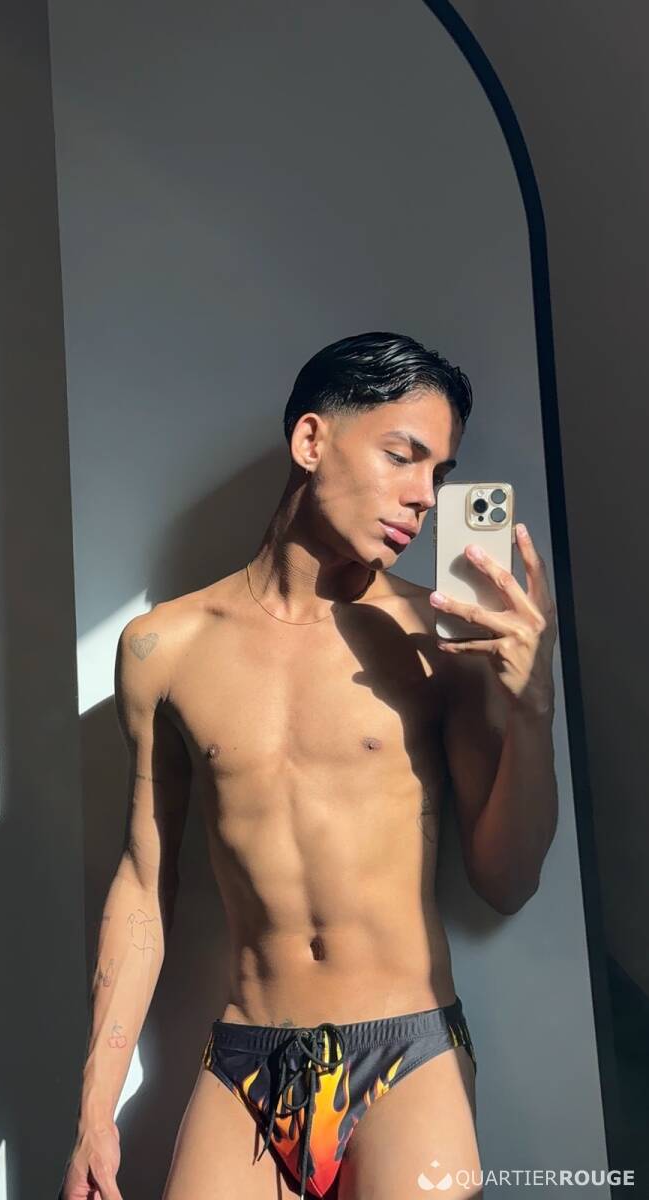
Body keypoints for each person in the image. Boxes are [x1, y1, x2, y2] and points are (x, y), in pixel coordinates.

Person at [60, 331, 558, 1200]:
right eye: (402, 455)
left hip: (407, 1054)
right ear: (310, 440)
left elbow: (506, 882)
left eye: (439, 473)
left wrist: (533, 710)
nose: (423, 496)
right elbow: (143, 881)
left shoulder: (437, 643)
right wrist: (95, 1107)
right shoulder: (161, 648)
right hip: (247, 1058)